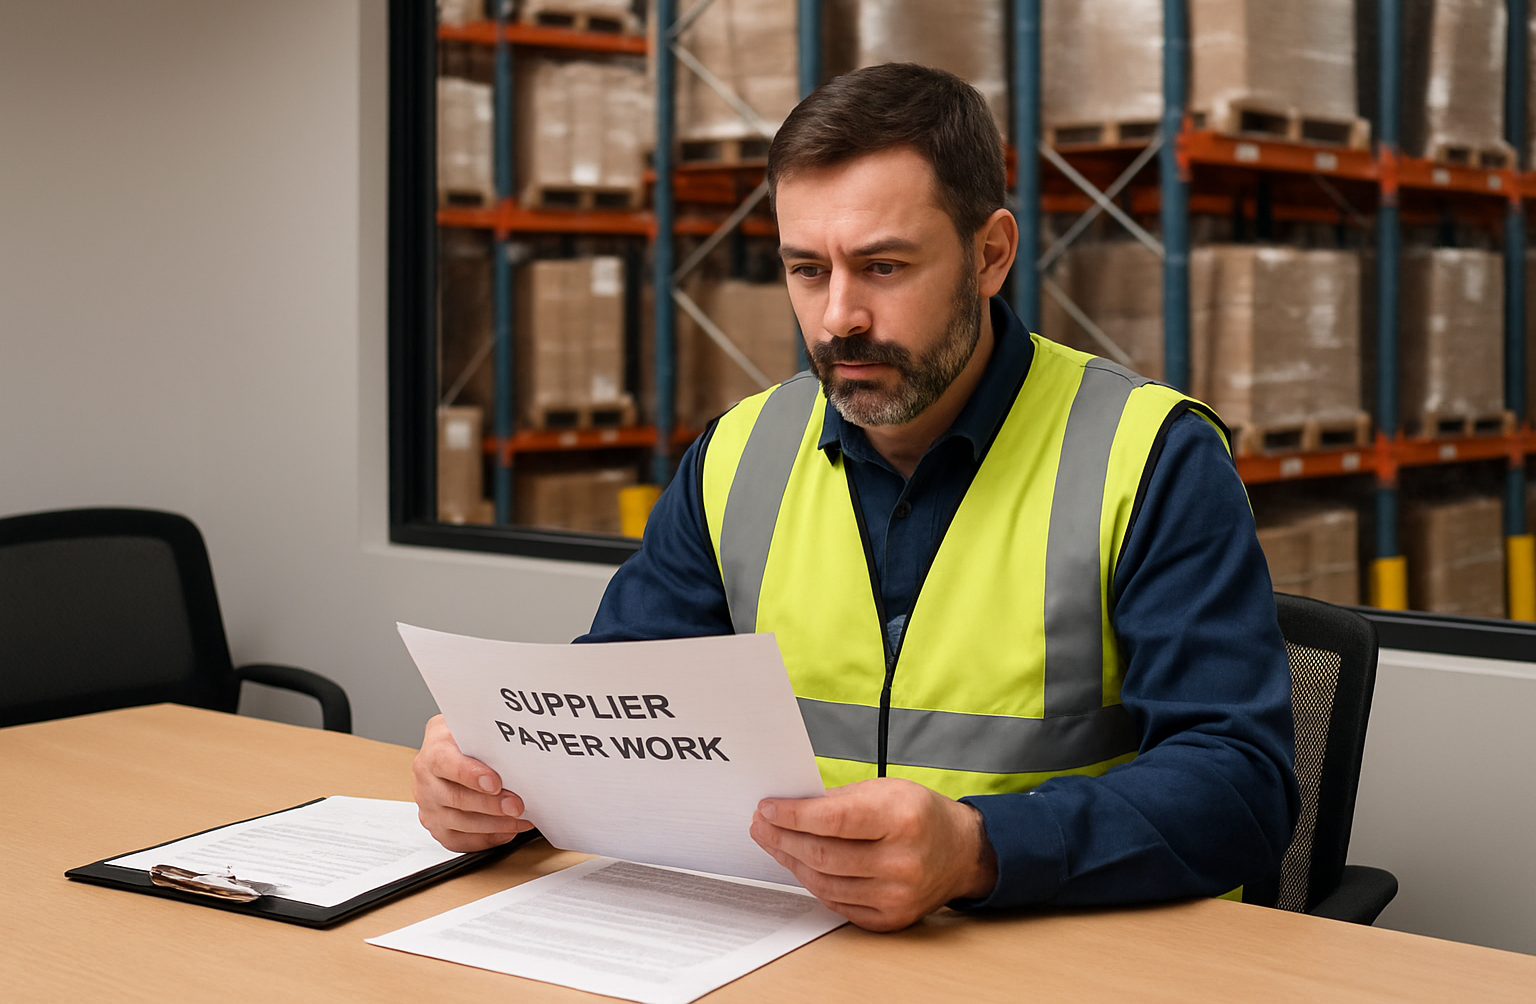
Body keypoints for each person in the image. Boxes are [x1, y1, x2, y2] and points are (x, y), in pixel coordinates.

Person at [413, 62, 1299, 932]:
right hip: (786, 946)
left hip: (1061, 957)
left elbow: (1239, 786)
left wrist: (981, 849)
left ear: (990, 255)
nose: (838, 318)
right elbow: (613, 713)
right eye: (807, 269)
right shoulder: (739, 454)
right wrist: (501, 783)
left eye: (881, 267)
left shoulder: (1150, 457)